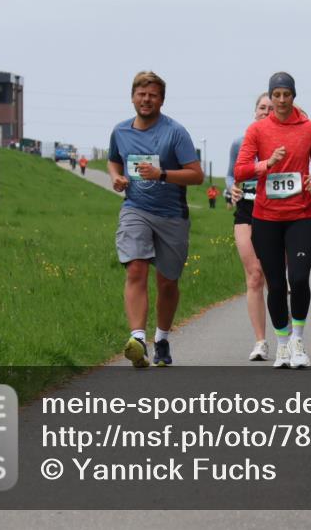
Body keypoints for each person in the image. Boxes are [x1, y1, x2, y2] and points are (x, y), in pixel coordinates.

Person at [107, 71, 204, 368]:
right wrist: (117, 177)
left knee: (167, 283)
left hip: (172, 215)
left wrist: (162, 174)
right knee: (135, 269)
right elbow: (114, 159)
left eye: (152, 95)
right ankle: (138, 339)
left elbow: (196, 174)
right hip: (135, 208)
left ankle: (161, 339)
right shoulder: (120, 131)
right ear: (132, 96)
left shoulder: (175, 132)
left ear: (161, 100)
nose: (146, 100)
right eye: (141, 94)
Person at [234, 72, 311, 369]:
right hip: (266, 217)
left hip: (300, 214)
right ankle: (283, 343)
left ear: (293, 96)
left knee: (298, 279)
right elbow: (240, 171)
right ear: (270, 97)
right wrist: (267, 164)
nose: (281, 100)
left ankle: (299, 339)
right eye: (276, 95)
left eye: (286, 94)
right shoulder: (257, 130)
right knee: (275, 284)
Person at [227, 92, 273, 361]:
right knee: (254, 275)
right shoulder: (240, 142)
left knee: (274, 276)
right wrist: (230, 188)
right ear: (254, 111)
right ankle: (260, 341)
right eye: (261, 107)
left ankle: (288, 336)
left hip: (275, 211)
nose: (265, 111)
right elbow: (231, 174)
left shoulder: (282, 141)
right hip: (246, 209)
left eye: (270, 108)